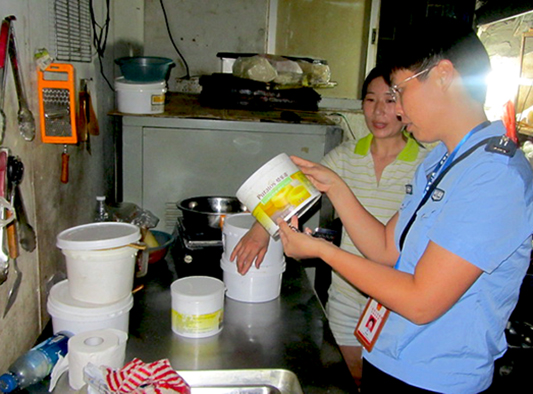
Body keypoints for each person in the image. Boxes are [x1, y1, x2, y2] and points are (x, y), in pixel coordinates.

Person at [277, 17, 533, 393]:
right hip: (388, 356)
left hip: (435, 380)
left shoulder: (495, 175)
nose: (395, 110)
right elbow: (385, 248)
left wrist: (321, 251)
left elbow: (420, 301)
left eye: (399, 91)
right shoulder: (441, 160)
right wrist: (336, 187)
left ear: (443, 75)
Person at [231, 66, 429, 385]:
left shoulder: (426, 163)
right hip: (347, 298)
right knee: (353, 379)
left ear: (405, 103)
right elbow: (293, 188)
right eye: (369, 99)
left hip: (397, 302)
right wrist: (260, 230)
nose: (379, 111)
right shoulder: (346, 156)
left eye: (390, 100)